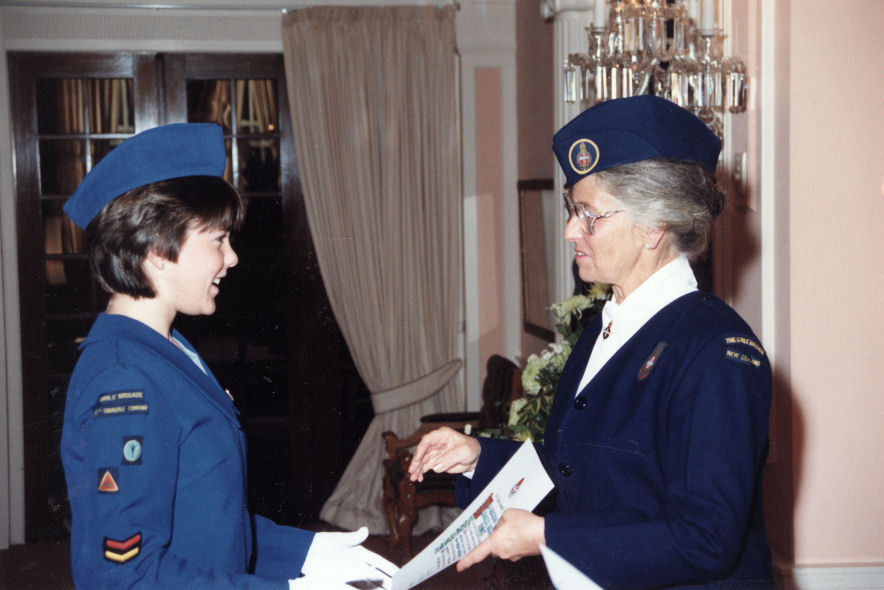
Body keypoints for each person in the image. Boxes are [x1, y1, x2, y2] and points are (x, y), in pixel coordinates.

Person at [409, 95, 773, 589]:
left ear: (653, 226)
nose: (569, 231)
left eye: (588, 214)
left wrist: (545, 535)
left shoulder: (715, 352)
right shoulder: (610, 326)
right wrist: (477, 454)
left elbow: (706, 539)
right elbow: (576, 465)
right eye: (571, 210)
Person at [60, 123, 396, 589]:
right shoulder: (124, 380)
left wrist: (305, 551)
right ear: (158, 249)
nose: (232, 257)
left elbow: (201, 519)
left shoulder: (167, 348)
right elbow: (125, 579)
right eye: (218, 240)